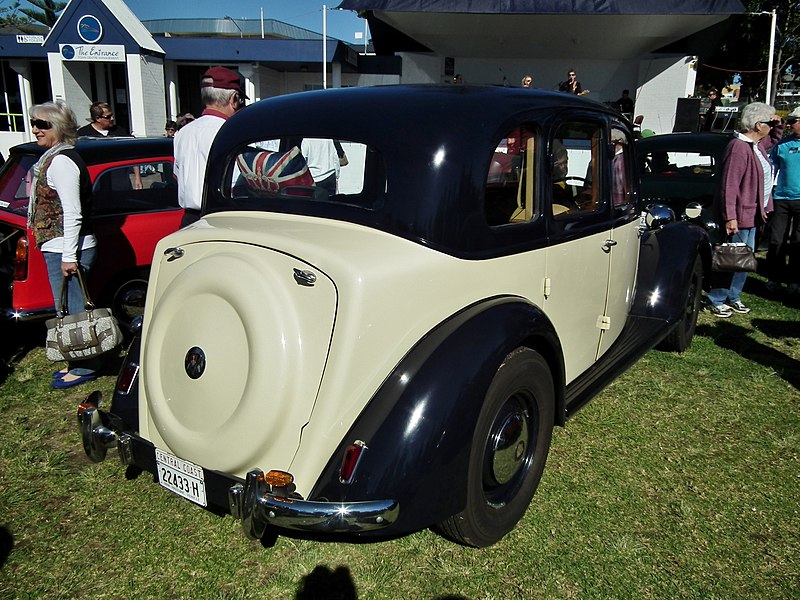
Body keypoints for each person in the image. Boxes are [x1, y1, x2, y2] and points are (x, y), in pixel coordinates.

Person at [28, 100, 99, 388]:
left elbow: (73, 212)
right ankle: (79, 361)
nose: (36, 129)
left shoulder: (62, 162)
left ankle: (85, 366)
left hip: (68, 247)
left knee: (75, 311)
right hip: (59, 245)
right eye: (34, 123)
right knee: (69, 309)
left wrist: (69, 256)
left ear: (57, 127)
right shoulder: (54, 157)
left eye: (42, 124)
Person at [706, 102, 782, 317]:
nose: (770, 126)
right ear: (759, 125)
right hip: (739, 215)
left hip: (753, 213)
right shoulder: (739, 147)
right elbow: (729, 185)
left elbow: (774, 139)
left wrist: (777, 123)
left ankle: (733, 295)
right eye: (768, 123)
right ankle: (717, 298)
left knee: (745, 259)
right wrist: (730, 217)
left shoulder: (755, 145)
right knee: (731, 258)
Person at [173, 66, 246, 226]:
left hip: (189, 219)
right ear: (234, 99)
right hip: (222, 218)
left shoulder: (183, 132)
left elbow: (178, 176)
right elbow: (241, 183)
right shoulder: (231, 132)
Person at [767, 107, 800, 295]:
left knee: (798, 241)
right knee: (777, 239)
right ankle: (775, 278)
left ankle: (795, 279)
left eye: (793, 121)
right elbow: (772, 171)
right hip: (781, 198)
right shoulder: (782, 145)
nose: (789, 125)